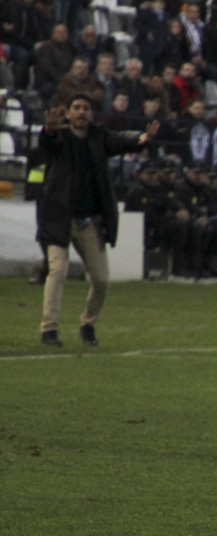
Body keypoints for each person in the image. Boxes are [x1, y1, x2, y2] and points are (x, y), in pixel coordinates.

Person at [37, 93, 160, 347]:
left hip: (87, 221)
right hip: (59, 218)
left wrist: (141, 139)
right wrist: (48, 129)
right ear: (68, 113)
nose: (81, 112)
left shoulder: (98, 137)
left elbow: (120, 140)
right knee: (58, 270)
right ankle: (49, 328)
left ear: (92, 114)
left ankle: (88, 324)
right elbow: (47, 143)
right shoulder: (59, 136)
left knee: (102, 279)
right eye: (77, 108)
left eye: (86, 108)